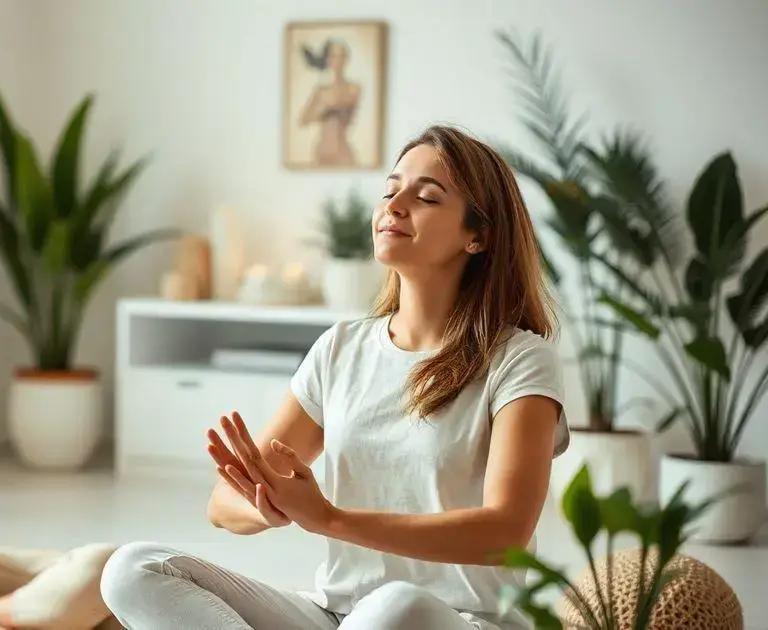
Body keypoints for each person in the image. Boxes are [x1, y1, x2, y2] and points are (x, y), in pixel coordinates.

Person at [99, 125, 570, 630]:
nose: (394, 205)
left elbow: (506, 532)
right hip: (338, 617)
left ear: (478, 235)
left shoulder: (520, 360)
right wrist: (269, 503)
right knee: (133, 569)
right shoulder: (341, 348)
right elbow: (223, 505)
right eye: (390, 191)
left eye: (427, 197)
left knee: (394, 609)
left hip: (464, 621)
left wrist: (329, 519)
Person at [298, 38, 362, 167]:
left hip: (342, 147)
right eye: (334, 56)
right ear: (328, 60)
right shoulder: (321, 91)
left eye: (342, 56)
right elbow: (303, 120)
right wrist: (323, 113)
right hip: (322, 148)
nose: (338, 60)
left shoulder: (354, 89)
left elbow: (349, 118)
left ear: (346, 59)